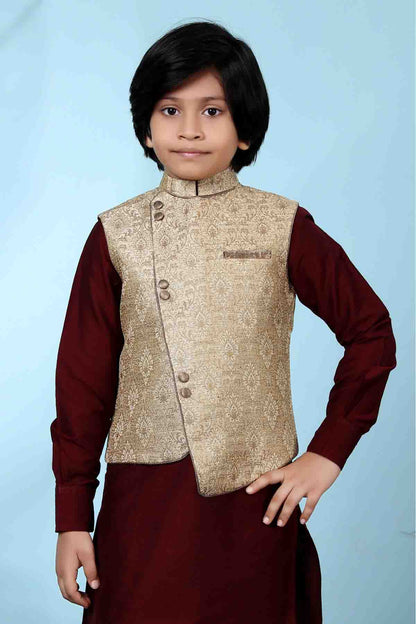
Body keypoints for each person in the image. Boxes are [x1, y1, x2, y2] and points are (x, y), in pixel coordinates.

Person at [50, 20, 397, 624]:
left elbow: (371, 333)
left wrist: (328, 452)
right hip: (143, 505)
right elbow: (82, 382)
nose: (189, 129)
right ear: (147, 127)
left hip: (254, 502)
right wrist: (72, 514)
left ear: (245, 129)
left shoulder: (281, 226)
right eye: (170, 110)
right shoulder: (115, 234)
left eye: (212, 110)